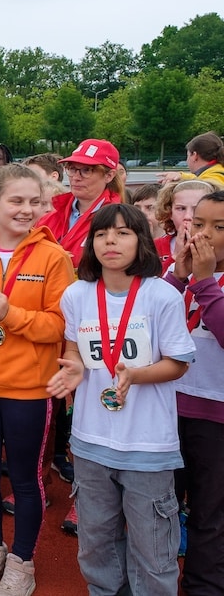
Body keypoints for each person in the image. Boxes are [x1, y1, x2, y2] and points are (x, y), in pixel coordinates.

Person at [50, 204, 194, 595]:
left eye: (122, 232)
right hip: (91, 442)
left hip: (147, 445)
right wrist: (75, 368)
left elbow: (178, 363)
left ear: (142, 241)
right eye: (101, 234)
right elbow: (74, 350)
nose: (110, 241)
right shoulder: (76, 295)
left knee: (153, 549)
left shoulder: (161, 295)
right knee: (96, 543)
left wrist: (136, 375)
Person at [0, 163, 74, 595]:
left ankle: (22, 561)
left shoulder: (54, 257)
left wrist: (10, 314)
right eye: (15, 201)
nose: (25, 210)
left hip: (28, 389)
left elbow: (60, 327)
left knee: (25, 479)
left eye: (33, 202)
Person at [163, 190, 224, 594]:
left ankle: (203, 587)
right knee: (162, 509)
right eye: (198, 224)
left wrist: (204, 283)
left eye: (218, 228)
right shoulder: (181, 275)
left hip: (215, 417)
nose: (204, 234)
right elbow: (146, 320)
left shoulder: (206, 281)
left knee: (210, 515)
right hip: (168, 408)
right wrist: (177, 277)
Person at [37, 139, 125, 268]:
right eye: (72, 169)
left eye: (86, 170)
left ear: (109, 175)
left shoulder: (120, 221)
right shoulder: (50, 217)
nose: (76, 177)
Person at [153, 179, 214, 273]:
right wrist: (175, 257)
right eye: (181, 208)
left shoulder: (219, 246)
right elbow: (150, 285)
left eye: (196, 208)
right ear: (169, 212)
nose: (187, 216)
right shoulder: (154, 247)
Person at [158, 132, 224, 189]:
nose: (187, 160)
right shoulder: (217, 171)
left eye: (188, 156)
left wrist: (182, 178)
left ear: (194, 156)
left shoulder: (214, 176)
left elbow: (206, 186)